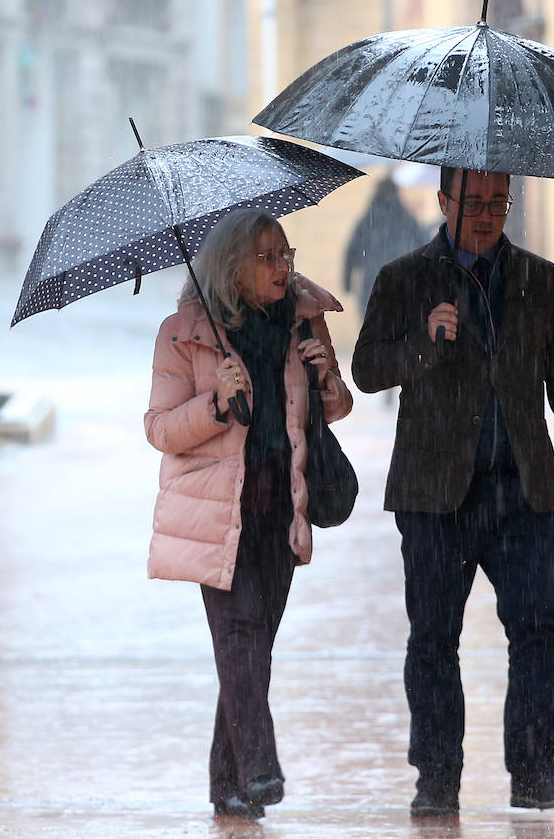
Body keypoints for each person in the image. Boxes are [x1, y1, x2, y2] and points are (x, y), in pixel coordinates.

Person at [351, 167, 554, 815]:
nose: (487, 214)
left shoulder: (536, 278)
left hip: (522, 490)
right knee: (434, 640)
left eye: (499, 202)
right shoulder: (404, 278)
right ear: (444, 201)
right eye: (474, 202)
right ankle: (436, 781)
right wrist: (424, 341)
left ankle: (534, 769)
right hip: (435, 496)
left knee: (537, 631)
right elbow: (365, 369)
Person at [143, 208, 353, 820]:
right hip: (219, 515)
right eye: (265, 257)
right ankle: (260, 767)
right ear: (232, 265)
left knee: (253, 651)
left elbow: (335, 408)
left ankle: (228, 786)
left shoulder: (304, 318)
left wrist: (325, 381)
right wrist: (214, 402)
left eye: (285, 253)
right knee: (239, 639)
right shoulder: (183, 333)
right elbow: (158, 428)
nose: (281, 266)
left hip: (281, 509)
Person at [342, 176, 426, 320]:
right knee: (400, 328)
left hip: (372, 282)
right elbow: (423, 251)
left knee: (372, 327)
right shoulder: (408, 220)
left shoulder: (367, 221)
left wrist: (347, 281)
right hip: (402, 283)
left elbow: (352, 252)